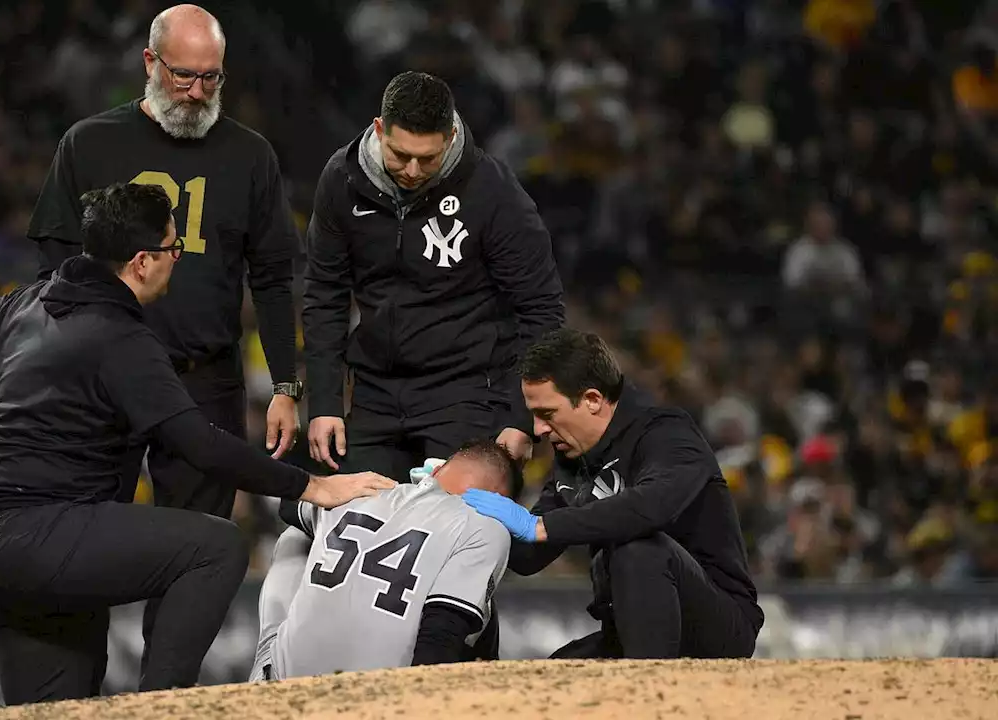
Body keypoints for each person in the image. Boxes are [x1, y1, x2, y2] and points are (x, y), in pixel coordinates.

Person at [0, 183, 394, 719]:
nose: (177, 258)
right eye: (173, 248)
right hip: (42, 535)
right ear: (141, 262)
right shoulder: (120, 336)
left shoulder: (30, 303)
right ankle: (158, 711)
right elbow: (198, 444)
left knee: (55, 714)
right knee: (215, 546)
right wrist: (312, 485)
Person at [27, 3, 303, 521]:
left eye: (211, 78)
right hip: (101, 375)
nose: (197, 92)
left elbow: (270, 279)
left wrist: (285, 387)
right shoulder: (89, 142)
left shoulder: (250, 155)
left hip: (205, 380)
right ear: (150, 62)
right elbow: (53, 271)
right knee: (84, 537)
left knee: (198, 545)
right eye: (183, 76)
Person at [302, 70, 564, 483]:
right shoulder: (341, 179)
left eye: (427, 158)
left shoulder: (492, 190)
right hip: (375, 391)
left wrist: (521, 415)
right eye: (400, 154)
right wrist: (324, 403)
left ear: (450, 134)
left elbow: (542, 308)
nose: (411, 169)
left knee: (455, 528)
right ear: (379, 129)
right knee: (346, 516)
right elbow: (324, 294)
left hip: (466, 392)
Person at [462, 329, 765, 659]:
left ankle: (653, 698)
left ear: (592, 400)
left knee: (637, 546)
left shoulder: (667, 432)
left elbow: (652, 506)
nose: (538, 430)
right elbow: (527, 557)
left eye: (547, 414)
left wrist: (539, 526)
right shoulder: (574, 459)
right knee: (549, 678)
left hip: (717, 627)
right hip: (628, 630)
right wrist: (472, 495)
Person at [251, 440, 517, 681]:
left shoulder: (364, 488)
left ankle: (262, 679)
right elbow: (440, 637)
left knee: (295, 535)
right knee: (478, 602)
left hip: (284, 688)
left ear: (434, 472)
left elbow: (288, 507)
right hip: (378, 700)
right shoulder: (486, 525)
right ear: (502, 504)